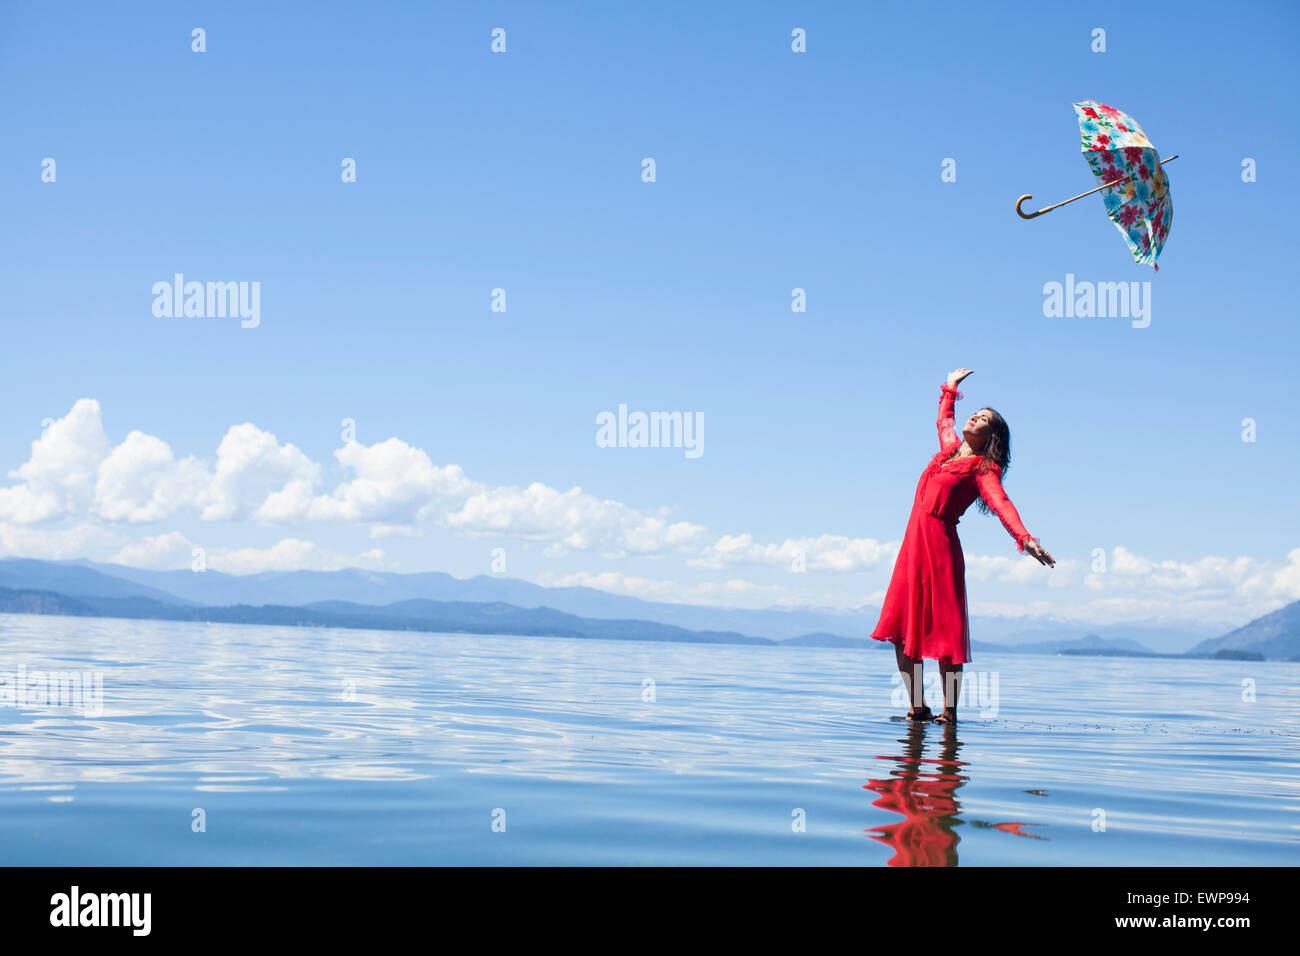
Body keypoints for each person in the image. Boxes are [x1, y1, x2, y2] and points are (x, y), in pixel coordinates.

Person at [871, 368, 1054, 725]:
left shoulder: (983, 469)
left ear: (991, 437)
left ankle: (949, 713)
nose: (976, 417)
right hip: (912, 547)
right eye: (977, 412)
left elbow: (1002, 505)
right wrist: (950, 389)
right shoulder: (949, 451)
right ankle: (917, 707)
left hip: (940, 549)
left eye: (984, 418)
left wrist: (1025, 538)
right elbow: (944, 421)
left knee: (946, 636)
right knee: (902, 632)